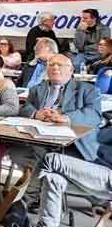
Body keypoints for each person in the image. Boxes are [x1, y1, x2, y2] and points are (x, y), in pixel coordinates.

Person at [11, 54, 102, 205]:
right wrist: (36, 113)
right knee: (17, 152)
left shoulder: (88, 90)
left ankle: (27, 200)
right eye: (51, 65)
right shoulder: (37, 89)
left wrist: (66, 118)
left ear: (71, 69)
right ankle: (32, 196)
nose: (55, 68)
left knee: (41, 157)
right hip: (40, 140)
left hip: (73, 145)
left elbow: (94, 115)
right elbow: (25, 107)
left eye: (60, 65)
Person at [14, 125, 112, 227]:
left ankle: (20, 207)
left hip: (108, 175)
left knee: (51, 159)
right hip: (100, 165)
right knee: (53, 178)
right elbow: (100, 137)